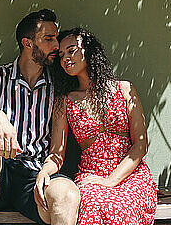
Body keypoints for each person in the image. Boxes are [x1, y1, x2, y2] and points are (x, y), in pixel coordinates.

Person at [0, 9, 80, 225]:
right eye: (48, 39)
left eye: (56, 38)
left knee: (67, 195)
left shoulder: (59, 84)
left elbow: (57, 149)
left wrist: (45, 173)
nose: (56, 46)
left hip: (35, 175)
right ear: (28, 44)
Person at [34, 28, 158, 225]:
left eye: (71, 50)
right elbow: (57, 153)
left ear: (89, 51)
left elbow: (140, 146)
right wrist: (44, 172)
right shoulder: (65, 102)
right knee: (92, 202)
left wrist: (110, 180)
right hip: (91, 176)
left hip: (130, 175)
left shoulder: (125, 89)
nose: (65, 58)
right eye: (61, 55)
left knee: (121, 207)